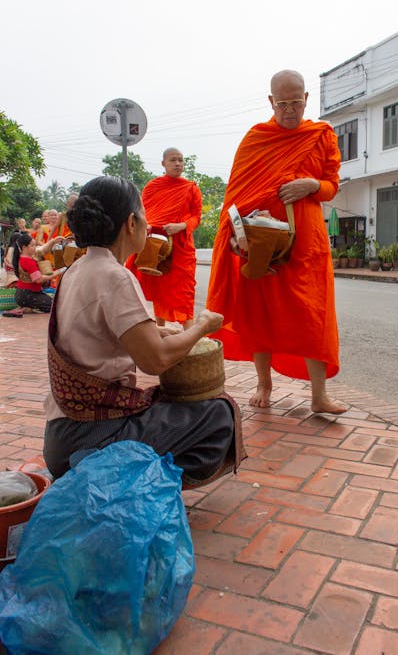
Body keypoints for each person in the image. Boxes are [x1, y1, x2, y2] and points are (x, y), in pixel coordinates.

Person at [43, 176, 245, 486]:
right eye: (144, 214)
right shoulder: (115, 276)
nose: (149, 224)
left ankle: (124, 478)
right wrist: (204, 325)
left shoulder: (78, 269)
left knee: (165, 402)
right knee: (218, 413)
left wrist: (163, 334)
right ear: (131, 223)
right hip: (88, 437)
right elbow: (156, 360)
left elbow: (118, 336)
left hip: (62, 434)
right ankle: (139, 487)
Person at [207, 69, 347, 415]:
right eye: (282, 103)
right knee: (260, 313)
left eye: (295, 102)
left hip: (307, 244)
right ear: (271, 102)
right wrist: (239, 238)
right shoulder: (257, 138)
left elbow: (332, 184)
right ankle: (263, 383)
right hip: (260, 242)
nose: (289, 110)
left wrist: (311, 186)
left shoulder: (321, 135)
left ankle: (319, 396)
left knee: (314, 313)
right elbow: (235, 196)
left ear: (306, 100)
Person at [126, 148, 202, 328]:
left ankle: (189, 341)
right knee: (158, 290)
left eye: (180, 160)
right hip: (155, 246)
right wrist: (148, 225)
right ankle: (160, 333)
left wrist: (181, 226)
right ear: (163, 164)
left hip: (181, 248)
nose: (177, 164)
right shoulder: (152, 187)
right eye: (173, 160)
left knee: (184, 293)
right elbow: (143, 214)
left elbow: (196, 217)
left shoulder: (191, 188)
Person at [7, 233, 64, 317]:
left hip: (21, 295)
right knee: (55, 306)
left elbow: (43, 251)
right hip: (28, 295)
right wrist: (57, 273)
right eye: (33, 245)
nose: (35, 247)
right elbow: (39, 280)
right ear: (24, 247)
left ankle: (28, 307)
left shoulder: (22, 257)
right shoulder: (29, 261)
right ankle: (27, 308)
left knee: (54, 303)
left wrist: (53, 241)